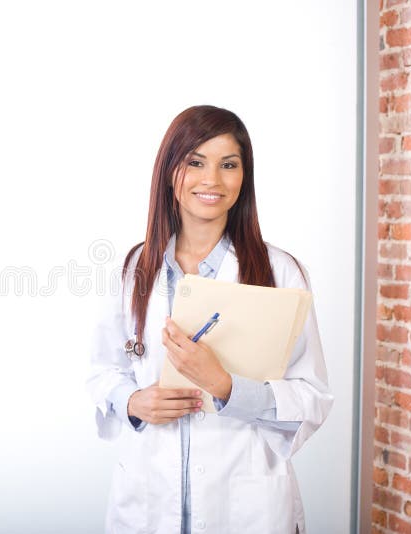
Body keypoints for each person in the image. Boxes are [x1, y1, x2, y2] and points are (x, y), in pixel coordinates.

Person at [87, 105, 333, 534]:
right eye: (195, 162)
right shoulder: (134, 269)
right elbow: (102, 370)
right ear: (169, 172)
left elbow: (312, 396)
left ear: (244, 177)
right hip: (147, 501)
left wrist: (226, 387)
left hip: (246, 507)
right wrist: (132, 401)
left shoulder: (280, 273)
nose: (211, 180)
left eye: (229, 165)